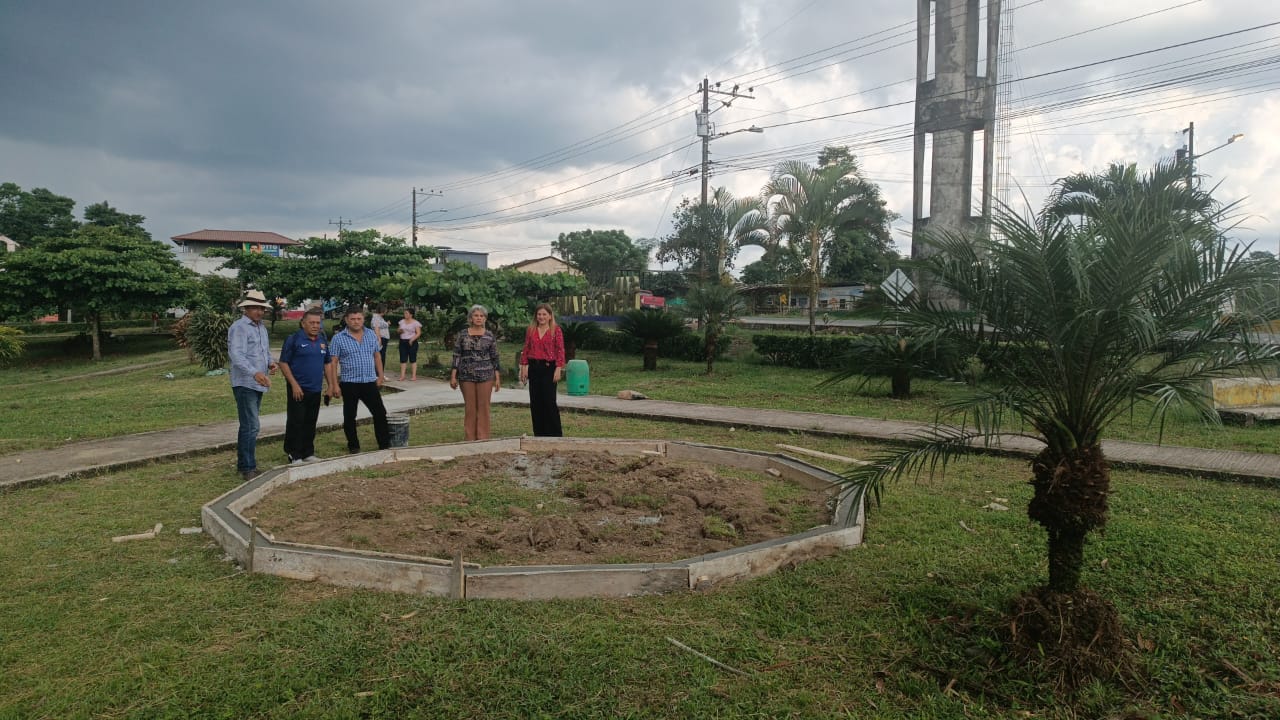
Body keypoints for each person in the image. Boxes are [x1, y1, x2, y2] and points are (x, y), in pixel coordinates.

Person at [227, 289, 277, 481]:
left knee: (249, 425)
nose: (259, 311)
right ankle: (247, 467)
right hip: (245, 382)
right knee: (251, 425)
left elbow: (264, 351)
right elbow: (236, 355)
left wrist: (270, 363)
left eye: (261, 308)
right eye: (255, 308)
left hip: (258, 382)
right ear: (246, 309)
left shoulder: (261, 327)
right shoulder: (239, 327)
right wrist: (254, 372)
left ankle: (245, 465)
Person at [328, 306, 391, 453]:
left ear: (363, 319)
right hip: (350, 383)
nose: (356, 322)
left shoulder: (371, 334)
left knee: (380, 413)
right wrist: (334, 385)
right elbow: (333, 362)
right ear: (346, 320)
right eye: (352, 319)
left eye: (359, 318)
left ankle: (384, 444)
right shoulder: (338, 338)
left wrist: (381, 375)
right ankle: (354, 446)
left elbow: (377, 356)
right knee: (350, 416)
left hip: (369, 381)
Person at [277, 307, 334, 465]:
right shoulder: (294, 339)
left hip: (315, 388)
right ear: (303, 323)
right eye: (312, 323)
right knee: (296, 421)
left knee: (311, 421)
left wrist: (330, 385)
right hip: (298, 388)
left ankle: (308, 452)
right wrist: (294, 384)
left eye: (318, 323)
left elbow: (327, 363)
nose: (315, 326)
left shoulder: (322, 340)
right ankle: (294, 453)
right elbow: (283, 363)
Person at [449, 304, 501, 440]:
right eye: (476, 315)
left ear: (485, 319)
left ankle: (483, 438)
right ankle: (470, 438)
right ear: (471, 318)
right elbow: (456, 355)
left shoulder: (489, 336)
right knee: (470, 407)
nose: (478, 318)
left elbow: (495, 357)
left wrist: (497, 377)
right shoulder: (462, 335)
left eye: (481, 316)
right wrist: (453, 376)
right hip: (466, 376)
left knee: (484, 407)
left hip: (486, 375)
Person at [519, 303, 565, 437]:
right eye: (539, 314)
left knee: (549, 401)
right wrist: (523, 367)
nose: (541, 317)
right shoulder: (531, 330)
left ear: (550, 316)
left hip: (549, 368)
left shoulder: (556, 330)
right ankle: (539, 434)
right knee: (535, 402)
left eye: (544, 314)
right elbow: (526, 348)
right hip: (534, 368)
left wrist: (558, 368)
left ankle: (555, 434)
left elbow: (560, 350)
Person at [397, 307, 422, 381]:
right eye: (404, 313)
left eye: (406, 313)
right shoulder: (401, 322)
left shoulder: (415, 323)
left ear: (411, 315)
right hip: (402, 341)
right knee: (403, 359)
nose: (405, 314)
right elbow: (398, 330)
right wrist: (399, 331)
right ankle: (402, 376)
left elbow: (418, 333)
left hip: (412, 342)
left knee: (412, 358)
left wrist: (412, 339)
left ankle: (414, 376)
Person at [370, 306, 392, 381]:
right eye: (386, 309)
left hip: (383, 338)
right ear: (383, 310)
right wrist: (379, 339)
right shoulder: (376, 317)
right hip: (381, 338)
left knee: (381, 356)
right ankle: (378, 374)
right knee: (380, 357)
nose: (386, 311)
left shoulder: (380, 318)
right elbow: (376, 328)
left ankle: (380, 374)